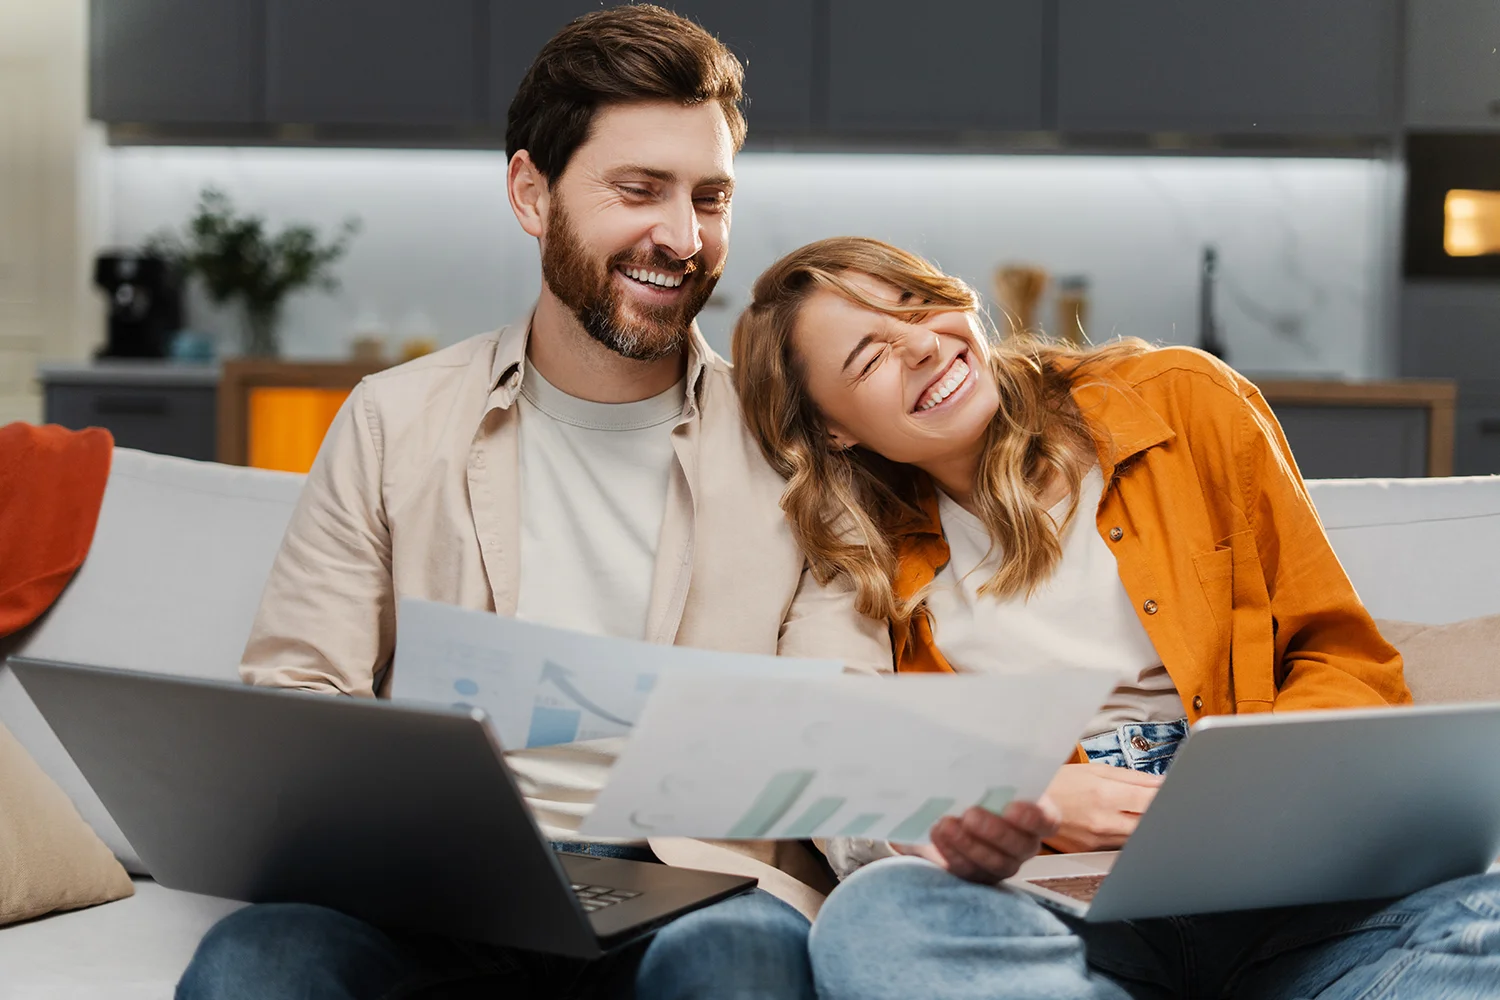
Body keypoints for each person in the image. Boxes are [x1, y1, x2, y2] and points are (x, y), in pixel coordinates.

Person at [174, 9, 904, 1000]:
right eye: (639, 190)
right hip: (440, 887)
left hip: (693, 887)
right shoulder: (396, 419)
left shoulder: (799, 446)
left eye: (711, 198)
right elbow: (299, 693)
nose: (683, 238)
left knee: (737, 962)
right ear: (532, 192)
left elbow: (837, 715)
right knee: (257, 962)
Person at [731, 236, 1500, 1000]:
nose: (925, 346)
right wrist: (1022, 792)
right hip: (1070, 922)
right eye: (868, 358)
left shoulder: (1182, 400)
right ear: (835, 429)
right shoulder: (858, 548)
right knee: (876, 922)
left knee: (1484, 919)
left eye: (916, 302)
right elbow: (830, 755)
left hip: (1295, 908)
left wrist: (1255, 803)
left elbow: (1338, 655)